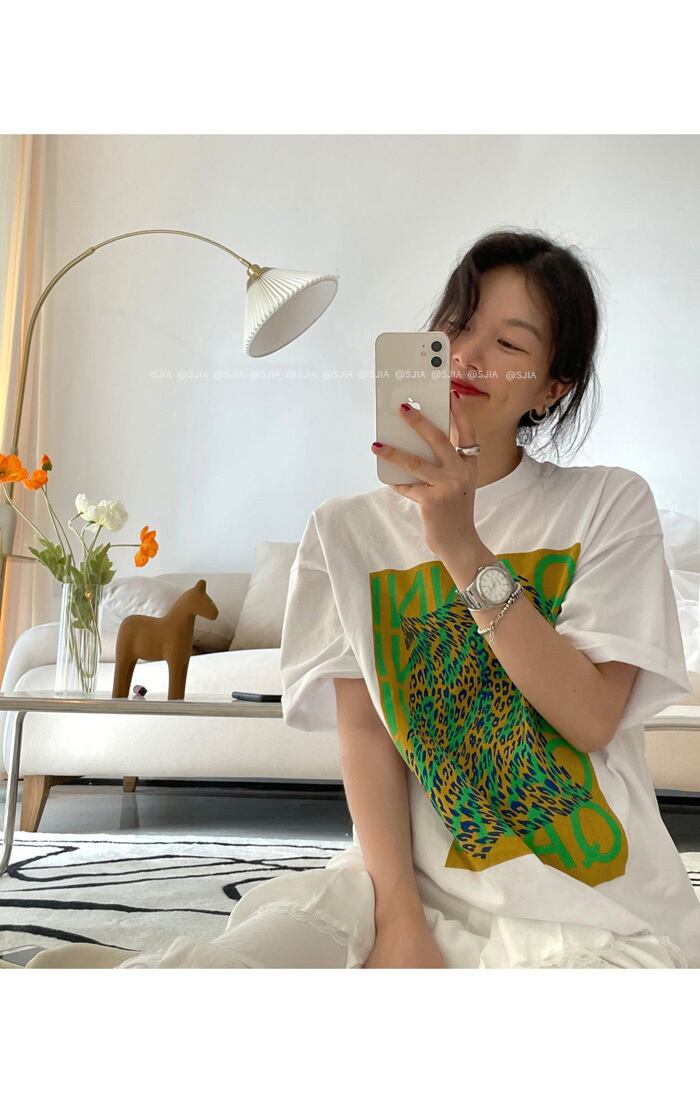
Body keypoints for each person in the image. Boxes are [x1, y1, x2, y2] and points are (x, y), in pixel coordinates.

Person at [13, 227, 699, 969]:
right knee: (233, 974)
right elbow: (369, 732)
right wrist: (399, 917)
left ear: (551, 387)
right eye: (458, 325)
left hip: (592, 905)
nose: (467, 355)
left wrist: (461, 546)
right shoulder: (346, 531)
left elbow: (591, 717)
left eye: (508, 342)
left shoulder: (608, 504)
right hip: (401, 883)